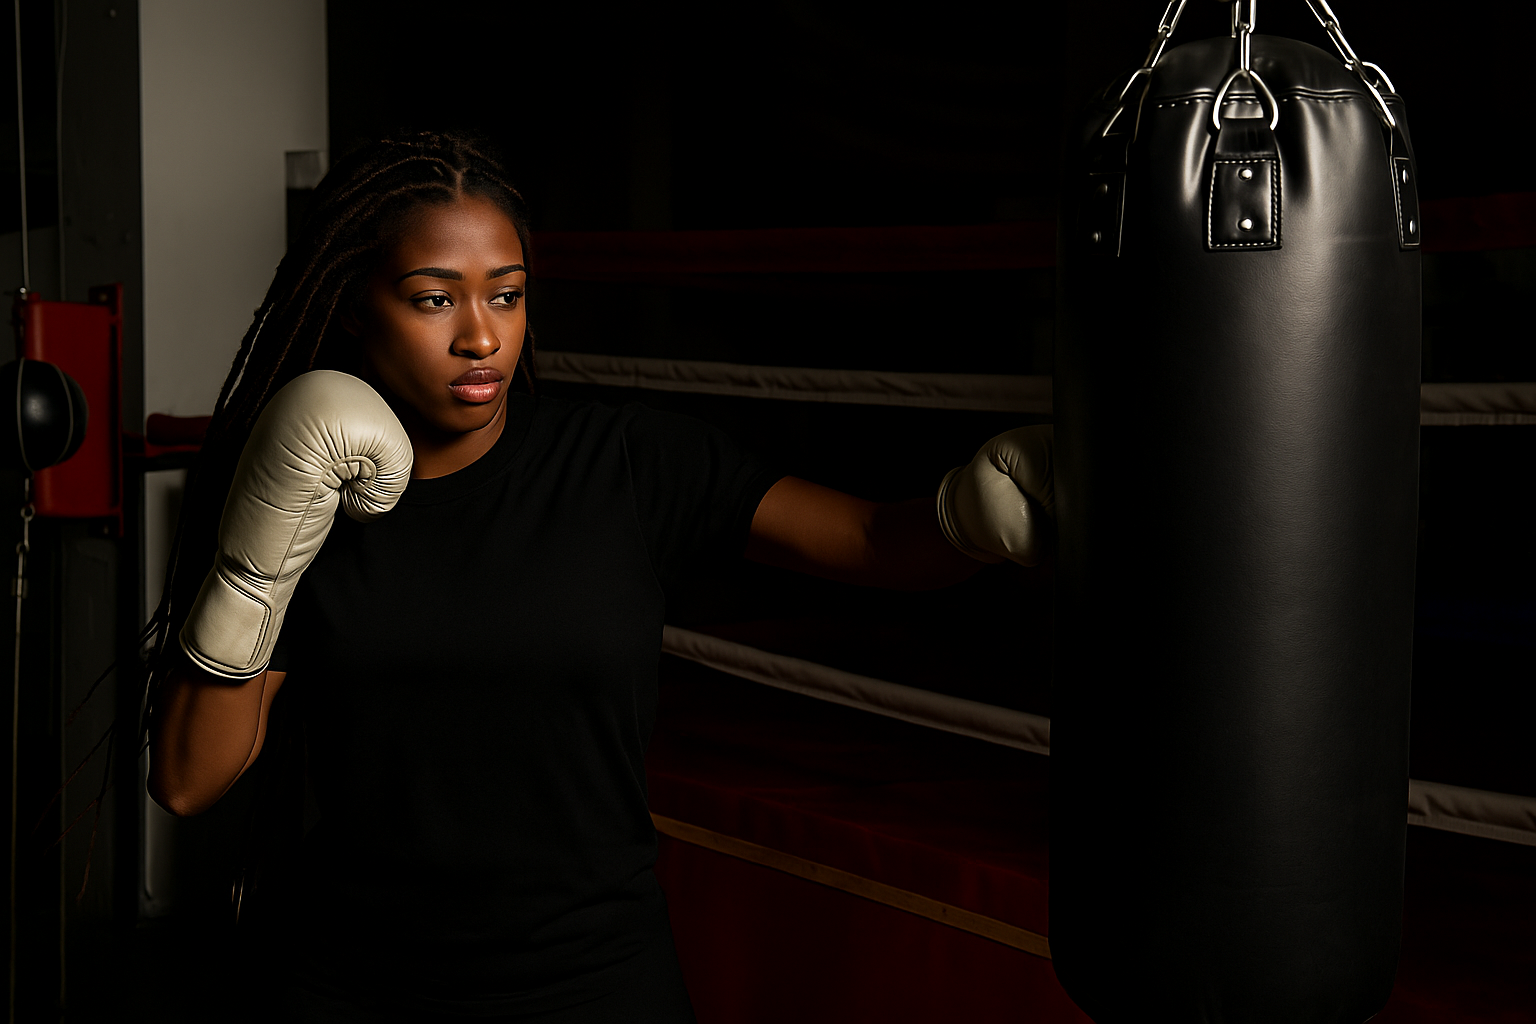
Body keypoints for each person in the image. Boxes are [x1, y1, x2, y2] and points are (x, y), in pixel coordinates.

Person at [145, 130, 1053, 1023]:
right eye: (432, 300)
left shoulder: (625, 463)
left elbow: (868, 539)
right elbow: (190, 780)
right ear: (353, 305)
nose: (479, 337)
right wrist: (259, 558)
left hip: (593, 982)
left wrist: (968, 514)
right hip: (353, 981)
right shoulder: (304, 492)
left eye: (507, 296)